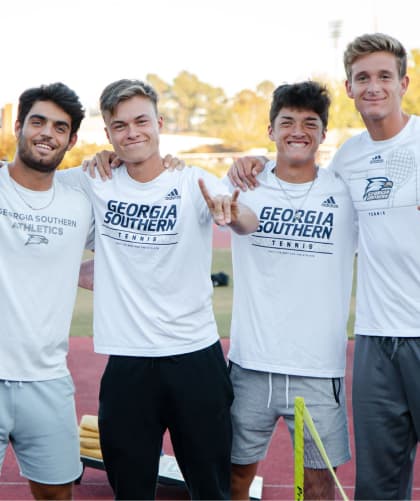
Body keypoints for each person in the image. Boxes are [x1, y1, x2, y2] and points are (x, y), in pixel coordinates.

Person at [228, 33, 420, 501]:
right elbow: (283, 180)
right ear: (350, 88)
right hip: (376, 337)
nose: (373, 86)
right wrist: (251, 162)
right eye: (362, 77)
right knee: (379, 482)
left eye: (384, 76)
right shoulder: (349, 160)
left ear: (404, 82)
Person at [57, 78, 258, 500]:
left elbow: (247, 221)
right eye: (120, 126)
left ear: (159, 123)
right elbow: (32, 191)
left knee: (211, 489)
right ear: (108, 134)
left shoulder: (194, 181)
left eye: (141, 121)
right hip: (129, 362)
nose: (132, 133)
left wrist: (233, 212)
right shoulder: (94, 180)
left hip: (195, 358)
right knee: (130, 491)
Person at [224, 81, 356, 500]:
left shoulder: (344, 191)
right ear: (270, 130)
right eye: (287, 122)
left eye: (309, 123)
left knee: (319, 487)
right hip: (250, 366)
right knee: (233, 476)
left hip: (318, 369)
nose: (298, 130)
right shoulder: (245, 184)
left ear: (323, 134)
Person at [0, 82, 95, 500]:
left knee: (57, 495)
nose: (47, 134)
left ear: (71, 140)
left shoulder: (79, 203)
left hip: (48, 379)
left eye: (60, 127)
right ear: (19, 126)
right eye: (37, 121)